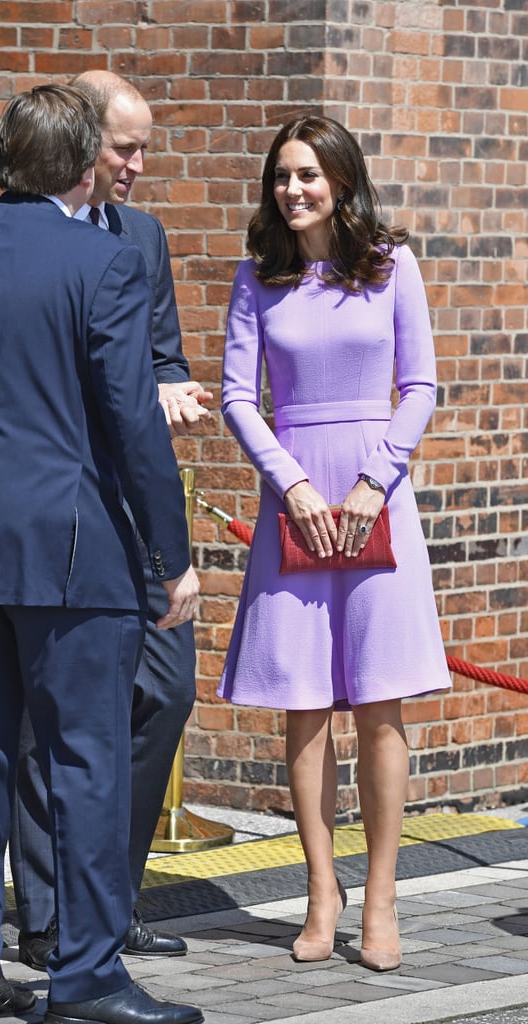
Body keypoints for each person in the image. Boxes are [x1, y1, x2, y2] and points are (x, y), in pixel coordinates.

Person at [0, 84, 203, 1024]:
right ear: (85, 159)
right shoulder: (100, 261)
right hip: (70, 555)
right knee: (85, 762)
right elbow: (133, 421)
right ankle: (88, 975)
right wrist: (168, 557)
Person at [217, 114, 450, 973]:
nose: (293, 189)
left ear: (342, 182)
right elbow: (239, 398)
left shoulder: (392, 268)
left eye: (309, 174)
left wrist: (369, 482)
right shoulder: (256, 278)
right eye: (282, 175)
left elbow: (419, 385)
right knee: (304, 708)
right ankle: (322, 890)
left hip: (375, 499)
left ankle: (381, 897)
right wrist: (297, 485)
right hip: (296, 503)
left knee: (380, 706)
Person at [10, 70, 211, 971]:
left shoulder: (143, 238)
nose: (137, 166)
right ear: (81, 144)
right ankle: (50, 919)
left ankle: (109, 905)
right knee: (43, 724)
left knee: (163, 693)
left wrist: (170, 388)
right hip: (54, 521)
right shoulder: (11, 235)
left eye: (143, 150)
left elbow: (159, 355)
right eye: (124, 148)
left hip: (133, 520)